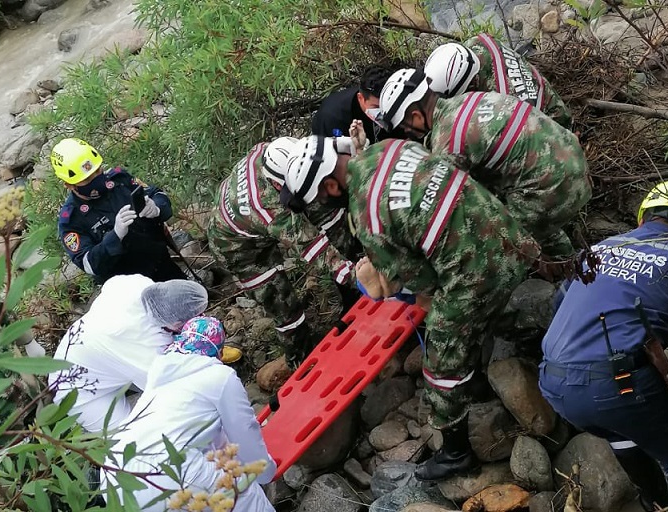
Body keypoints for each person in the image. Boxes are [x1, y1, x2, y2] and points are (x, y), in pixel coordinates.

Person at [285, 135, 541, 481]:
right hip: (508, 233)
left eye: (321, 200)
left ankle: (456, 453)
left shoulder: (368, 216)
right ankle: (519, 343)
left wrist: (374, 282)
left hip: (483, 269)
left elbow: (421, 283)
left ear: (331, 184)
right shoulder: (389, 148)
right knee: (471, 306)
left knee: (438, 359)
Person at [540, 181, 668, 512]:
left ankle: (654, 502)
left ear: (641, 220)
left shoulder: (598, 250)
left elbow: (558, 306)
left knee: (622, 430)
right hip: (616, 384)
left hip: (553, 380)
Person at [378, 68, 591, 258]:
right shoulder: (468, 100)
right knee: (512, 203)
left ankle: (565, 267)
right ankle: (559, 250)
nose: (407, 132)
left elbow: (456, 207)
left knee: (493, 245)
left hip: (558, 187)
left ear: (416, 116)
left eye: (406, 126)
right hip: (574, 163)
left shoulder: (448, 142)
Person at [207, 138, 358, 366]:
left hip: (247, 218)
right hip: (237, 250)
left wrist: (354, 145)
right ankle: (302, 361)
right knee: (284, 305)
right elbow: (311, 247)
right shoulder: (267, 207)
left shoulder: (278, 150)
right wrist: (355, 276)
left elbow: (324, 151)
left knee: (326, 211)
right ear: (278, 185)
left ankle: (352, 285)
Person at [102, 316, 276, 512]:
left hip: (115, 476)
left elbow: (190, 432)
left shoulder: (160, 375)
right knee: (244, 495)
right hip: (168, 470)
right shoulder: (219, 376)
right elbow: (244, 431)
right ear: (218, 351)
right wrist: (264, 471)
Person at [49, 275, 209, 432]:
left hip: (92, 354)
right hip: (77, 391)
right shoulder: (144, 345)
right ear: (176, 324)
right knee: (133, 434)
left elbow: (111, 284)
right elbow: (171, 388)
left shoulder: (137, 284)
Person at [52, 138, 185, 284]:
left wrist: (156, 207)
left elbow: (156, 194)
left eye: (97, 171)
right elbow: (89, 264)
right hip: (127, 286)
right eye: (87, 179)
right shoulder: (72, 220)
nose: (96, 179)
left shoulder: (120, 180)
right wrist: (115, 237)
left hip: (161, 263)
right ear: (69, 185)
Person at [424, 36, 572, 128]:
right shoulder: (478, 42)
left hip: (557, 121)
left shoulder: (504, 102)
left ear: (471, 85)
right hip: (539, 92)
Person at [312, 65, 405, 142]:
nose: (383, 112)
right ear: (361, 98)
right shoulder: (331, 117)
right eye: (377, 107)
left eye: (387, 105)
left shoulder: (401, 107)